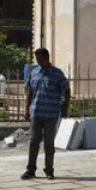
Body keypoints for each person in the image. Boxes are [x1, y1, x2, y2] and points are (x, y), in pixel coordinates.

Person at [21, 48, 70, 180]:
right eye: (36, 59)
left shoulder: (57, 74)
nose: (37, 61)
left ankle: (49, 170)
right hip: (36, 114)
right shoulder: (34, 72)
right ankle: (30, 169)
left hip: (51, 115)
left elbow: (66, 90)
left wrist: (65, 109)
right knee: (33, 142)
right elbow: (30, 92)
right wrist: (27, 109)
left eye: (39, 59)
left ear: (46, 58)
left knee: (49, 144)